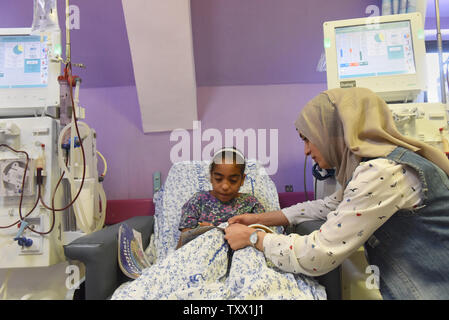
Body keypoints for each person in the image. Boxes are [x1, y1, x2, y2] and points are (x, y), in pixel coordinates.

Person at [224, 87, 449, 300]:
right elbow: (327, 206)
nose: (306, 151)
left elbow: (318, 254)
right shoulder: (374, 169)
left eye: (307, 138)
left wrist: (253, 238)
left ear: (331, 131)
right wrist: (258, 219)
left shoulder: (382, 172)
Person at [177, 147, 265, 247]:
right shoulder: (198, 200)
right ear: (211, 176)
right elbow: (185, 238)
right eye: (218, 179)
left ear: (242, 180)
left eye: (233, 180)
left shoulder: (250, 203)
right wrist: (201, 232)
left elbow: (262, 234)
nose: (225, 186)